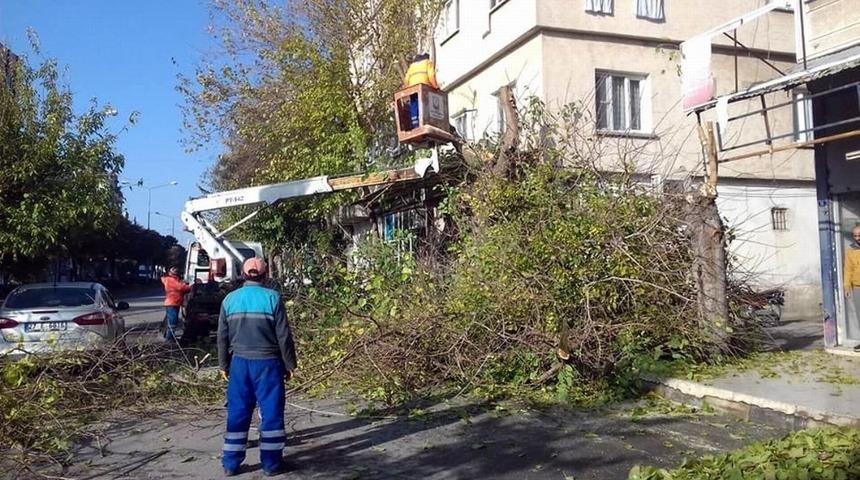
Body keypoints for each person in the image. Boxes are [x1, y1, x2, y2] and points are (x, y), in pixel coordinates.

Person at [218, 257, 297, 476]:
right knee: (271, 412)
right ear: (265, 275)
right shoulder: (273, 298)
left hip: (239, 364)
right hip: (268, 364)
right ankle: (272, 464)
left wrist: (224, 365)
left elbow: (222, 338)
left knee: (237, 412)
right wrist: (290, 364)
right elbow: (284, 337)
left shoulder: (229, 300)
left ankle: (230, 464)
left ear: (243, 275)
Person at [403, 52, 439, 129]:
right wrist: (435, 86)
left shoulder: (412, 66)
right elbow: (431, 75)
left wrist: (407, 90)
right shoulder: (428, 63)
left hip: (413, 87)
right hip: (424, 86)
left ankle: (415, 123)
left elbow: (406, 79)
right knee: (424, 104)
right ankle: (424, 122)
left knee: (414, 104)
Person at [161, 266, 191, 341]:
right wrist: (190, 286)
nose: (175, 270)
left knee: (171, 320)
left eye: (176, 268)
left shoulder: (174, 279)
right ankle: (169, 338)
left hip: (175, 303)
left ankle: (168, 336)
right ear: (169, 271)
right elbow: (181, 287)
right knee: (173, 321)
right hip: (172, 303)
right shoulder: (170, 280)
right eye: (173, 269)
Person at [843, 225, 860, 351]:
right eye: (855, 235)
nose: (857, 238)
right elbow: (848, 270)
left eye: (859, 235)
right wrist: (847, 287)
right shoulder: (850, 251)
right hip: (857, 287)